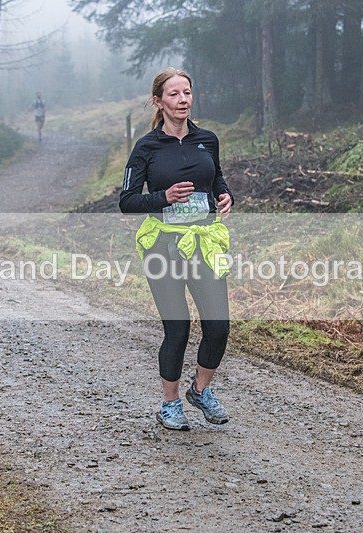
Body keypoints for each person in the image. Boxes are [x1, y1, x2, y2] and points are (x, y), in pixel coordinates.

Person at [120, 67, 234, 431]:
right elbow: (126, 201)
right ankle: (170, 404)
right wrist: (162, 197)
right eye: (174, 94)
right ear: (158, 101)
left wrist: (225, 194)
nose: (182, 100)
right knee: (178, 328)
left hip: (203, 242)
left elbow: (215, 177)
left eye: (186, 92)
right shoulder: (147, 147)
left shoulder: (207, 139)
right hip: (163, 245)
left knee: (219, 326)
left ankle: (200, 391)